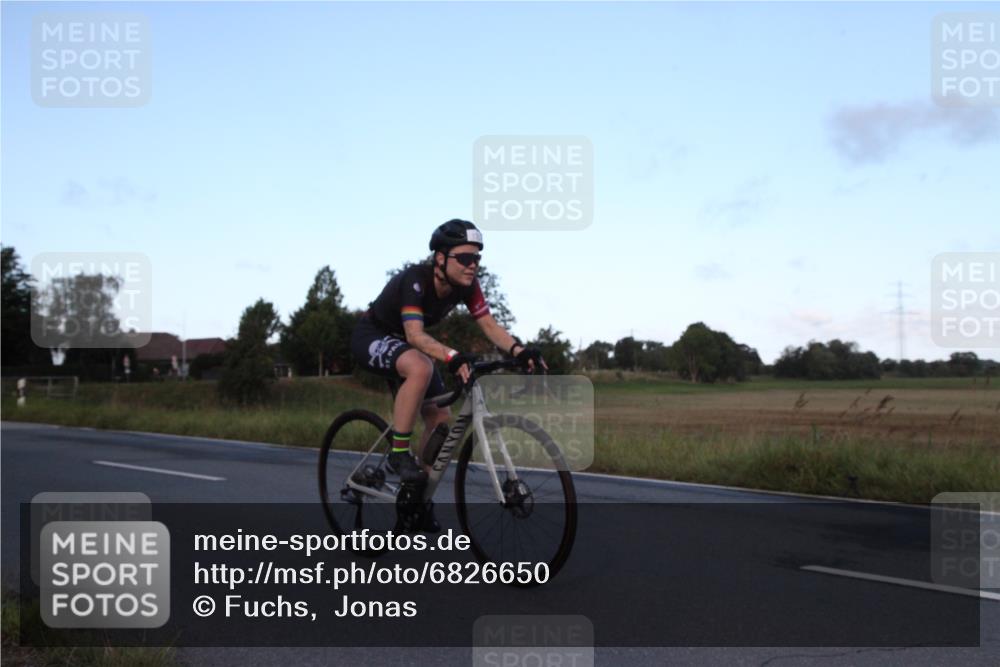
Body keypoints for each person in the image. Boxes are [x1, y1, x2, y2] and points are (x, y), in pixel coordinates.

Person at [351, 219, 545, 529]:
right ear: (441, 258)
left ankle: (417, 500)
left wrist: (520, 351)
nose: (473, 266)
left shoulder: (467, 287)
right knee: (421, 364)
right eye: (465, 258)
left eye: (477, 259)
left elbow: (490, 327)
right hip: (373, 336)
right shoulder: (416, 280)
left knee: (440, 420)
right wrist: (452, 356)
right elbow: (414, 336)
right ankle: (399, 453)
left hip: (407, 345)